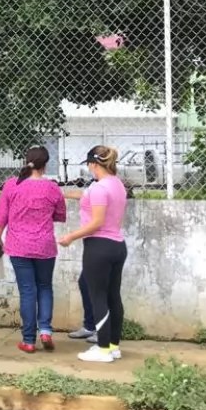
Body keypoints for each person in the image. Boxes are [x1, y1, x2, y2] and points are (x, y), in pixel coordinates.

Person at [0, 146, 67, 354]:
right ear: (45, 164)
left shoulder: (12, 185)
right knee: (45, 287)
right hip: (45, 246)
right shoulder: (52, 188)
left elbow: (1, 216)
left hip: (19, 246)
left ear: (27, 161)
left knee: (27, 291)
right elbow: (59, 215)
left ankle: (28, 340)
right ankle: (46, 331)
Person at [58, 145, 128, 363]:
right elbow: (87, 196)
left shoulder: (99, 188)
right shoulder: (116, 184)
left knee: (98, 297)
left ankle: (103, 349)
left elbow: (97, 222)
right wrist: (62, 193)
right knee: (113, 297)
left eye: (89, 165)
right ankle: (113, 347)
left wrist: (71, 236)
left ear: (93, 164)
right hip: (117, 246)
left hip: (99, 247)